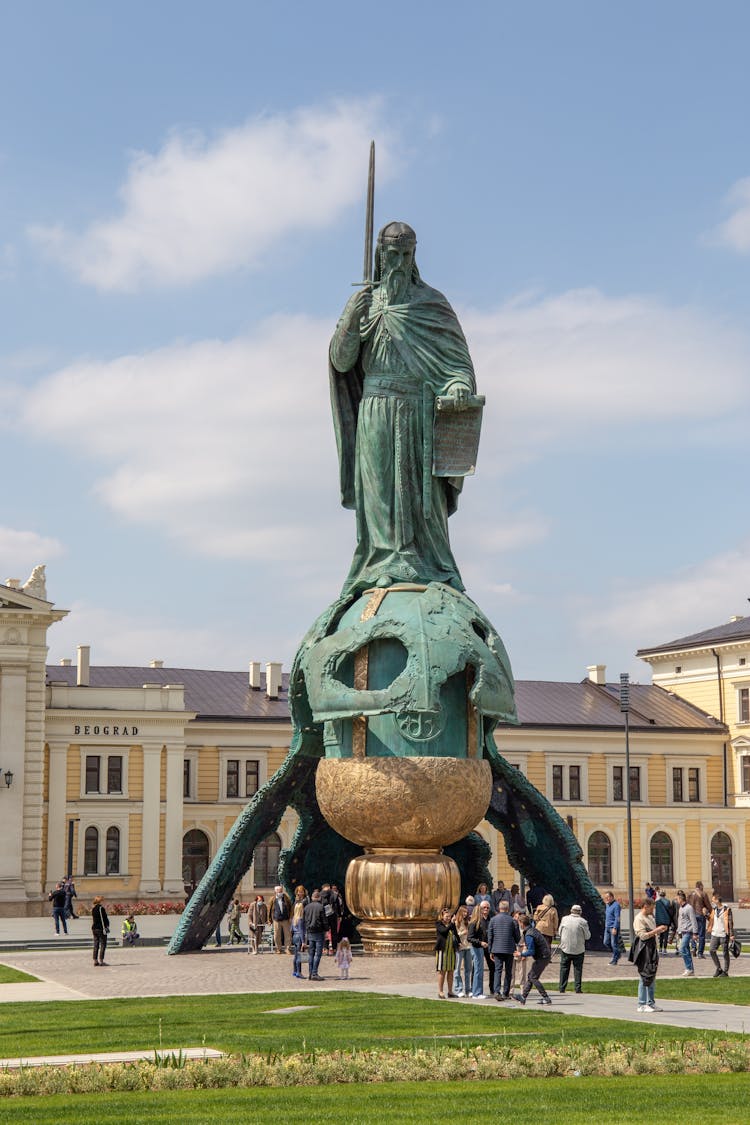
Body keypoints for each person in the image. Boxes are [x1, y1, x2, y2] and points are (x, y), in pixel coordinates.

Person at [330, 221, 476, 596]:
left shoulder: (430, 303)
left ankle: (426, 565)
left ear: (414, 257)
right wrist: (350, 319)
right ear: (380, 255)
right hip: (375, 409)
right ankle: (379, 563)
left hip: (417, 411)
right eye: (390, 255)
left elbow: (457, 362)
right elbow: (342, 362)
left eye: (404, 255)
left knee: (419, 496)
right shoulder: (364, 304)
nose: (396, 263)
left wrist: (458, 385)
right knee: (379, 490)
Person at [630, 898, 668, 1012]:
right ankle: (641, 1004)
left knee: (651, 975)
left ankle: (650, 1003)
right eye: (652, 907)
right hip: (643, 949)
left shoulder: (650, 917)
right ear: (645, 906)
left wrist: (659, 930)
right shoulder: (639, 919)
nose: (653, 909)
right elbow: (642, 936)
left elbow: (652, 933)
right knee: (644, 975)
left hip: (651, 949)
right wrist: (657, 930)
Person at [512, 913, 552, 1005]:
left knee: (533, 977)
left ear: (521, 923)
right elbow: (535, 943)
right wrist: (523, 945)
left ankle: (546, 998)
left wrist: (520, 953)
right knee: (531, 976)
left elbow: (531, 951)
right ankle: (523, 997)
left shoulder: (528, 934)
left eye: (519, 923)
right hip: (544, 956)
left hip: (542, 957)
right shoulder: (532, 930)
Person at [488, 901, 520, 1001]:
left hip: (497, 948)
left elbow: (490, 936)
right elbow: (517, 936)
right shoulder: (512, 921)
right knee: (508, 972)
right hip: (509, 949)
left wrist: (490, 950)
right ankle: (506, 992)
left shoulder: (493, 920)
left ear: (499, 908)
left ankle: (497, 991)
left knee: (498, 971)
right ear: (508, 908)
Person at [557, 904, 591, 994]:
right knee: (578, 969)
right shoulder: (583, 922)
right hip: (578, 949)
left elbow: (559, 932)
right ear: (580, 912)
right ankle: (578, 988)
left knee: (564, 968)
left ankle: (562, 987)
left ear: (571, 911)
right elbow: (588, 936)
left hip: (565, 948)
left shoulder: (564, 919)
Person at [468, 900, 492, 998]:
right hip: (476, 948)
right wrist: (480, 942)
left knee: (479, 970)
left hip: (480, 948)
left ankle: (478, 992)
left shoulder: (478, 922)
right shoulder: (473, 923)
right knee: (477, 970)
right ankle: (476, 993)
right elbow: (469, 938)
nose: (484, 910)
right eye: (482, 909)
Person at [434, 907, 459, 999]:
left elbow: (455, 934)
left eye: (449, 916)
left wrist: (459, 943)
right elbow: (443, 931)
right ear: (442, 916)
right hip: (443, 950)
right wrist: (451, 923)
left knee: (451, 971)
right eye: (446, 916)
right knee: (442, 971)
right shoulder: (438, 924)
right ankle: (440, 991)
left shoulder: (452, 925)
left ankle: (450, 991)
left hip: (451, 950)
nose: (448, 918)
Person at [707, 893, 734, 978]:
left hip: (723, 934)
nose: (712, 900)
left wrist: (731, 934)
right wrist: (705, 915)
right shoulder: (714, 909)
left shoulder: (727, 910)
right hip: (715, 933)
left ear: (717, 900)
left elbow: (730, 922)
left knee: (725, 953)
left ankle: (725, 971)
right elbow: (711, 919)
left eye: (713, 899)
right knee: (711, 950)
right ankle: (719, 969)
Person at [303, 889, 327, 980]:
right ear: (319, 897)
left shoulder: (307, 907)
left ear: (312, 898)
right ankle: (314, 973)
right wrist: (326, 929)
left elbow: (305, 920)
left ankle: (310, 972)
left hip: (310, 931)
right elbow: (324, 920)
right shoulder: (321, 907)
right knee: (318, 953)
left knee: (311, 953)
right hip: (319, 931)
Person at [452, 904, 472, 997]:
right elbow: (454, 935)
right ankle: (458, 989)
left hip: (468, 947)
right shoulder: (456, 922)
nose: (465, 914)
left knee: (468, 969)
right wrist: (462, 933)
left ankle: (468, 989)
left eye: (466, 912)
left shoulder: (468, 921)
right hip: (460, 947)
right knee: (457, 969)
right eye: (464, 912)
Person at [676, 891, 698, 976]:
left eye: (677, 898)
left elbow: (693, 920)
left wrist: (695, 933)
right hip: (683, 931)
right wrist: (678, 931)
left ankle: (688, 968)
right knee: (686, 950)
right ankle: (690, 970)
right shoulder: (681, 908)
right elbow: (680, 920)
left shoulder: (689, 908)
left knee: (682, 948)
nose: (677, 900)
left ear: (681, 899)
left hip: (688, 931)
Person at [689, 881, 711, 959]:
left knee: (693, 933)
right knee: (701, 935)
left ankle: (694, 947)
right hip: (700, 915)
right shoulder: (703, 893)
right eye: (703, 886)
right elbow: (708, 904)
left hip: (692, 915)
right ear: (700, 886)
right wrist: (711, 913)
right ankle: (700, 953)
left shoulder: (691, 894)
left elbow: (688, 904)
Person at [271, 885, 293, 954]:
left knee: (288, 935)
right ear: (275, 891)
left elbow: (290, 908)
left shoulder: (286, 898)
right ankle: (278, 948)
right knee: (277, 935)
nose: (280, 892)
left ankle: (288, 948)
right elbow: (270, 909)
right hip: (276, 919)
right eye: (279, 891)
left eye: (281, 891)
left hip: (285, 919)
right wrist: (269, 919)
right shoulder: (273, 899)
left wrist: (290, 917)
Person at [604, 891, 622, 965]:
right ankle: (617, 953)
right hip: (607, 927)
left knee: (613, 944)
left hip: (613, 928)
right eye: (606, 897)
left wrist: (615, 927)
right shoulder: (607, 905)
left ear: (612, 897)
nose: (607, 899)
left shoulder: (616, 905)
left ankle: (614, 960)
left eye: (608, 897)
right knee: (605, 942)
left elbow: (617, 918)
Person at [91, 896, 110, 966]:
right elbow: (104, 918)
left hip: (94, 928)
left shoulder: (93, 909)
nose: (104, 902)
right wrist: (107, 925)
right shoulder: (101, 909)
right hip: (101, 929)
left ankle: (95, 960)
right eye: (103, 900)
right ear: (100, 901)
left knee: (96, 944)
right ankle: (101, 960)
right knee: (103, 944)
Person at [291, 900, 306, 979]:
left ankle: (294, 971)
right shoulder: (300, 919)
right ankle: (299, 972)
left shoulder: (294, 918)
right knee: (299, 956)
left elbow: (291, 929)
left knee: (296, 955)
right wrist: (303, 941)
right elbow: (301, 931)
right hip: (299, 937)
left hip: (294, 936)